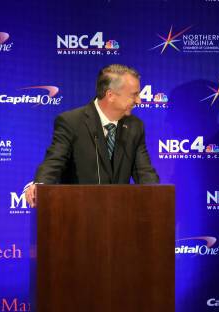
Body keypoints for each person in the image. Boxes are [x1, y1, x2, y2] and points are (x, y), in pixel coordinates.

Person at [25, 64, 159, 207]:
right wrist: (41, 185)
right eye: (134, 94)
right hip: (78, 213)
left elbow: (143, 170)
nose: (139, 101)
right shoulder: (72, 122)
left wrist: (157, 195)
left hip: (119, 215)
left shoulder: (135, 126)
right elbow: (54, 161)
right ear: (110, 95)